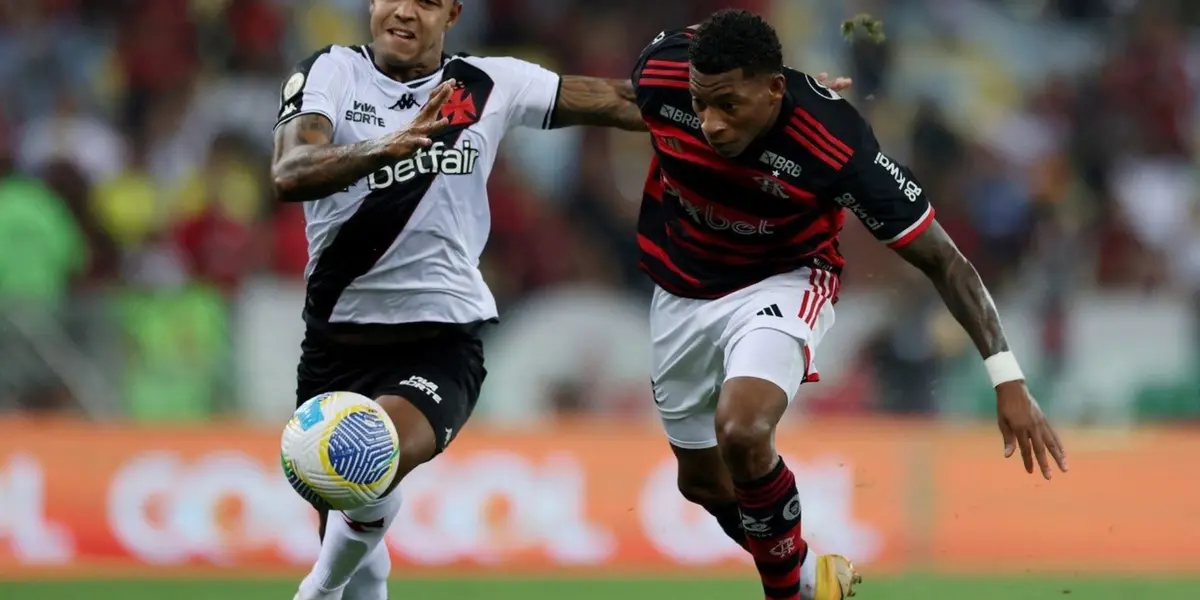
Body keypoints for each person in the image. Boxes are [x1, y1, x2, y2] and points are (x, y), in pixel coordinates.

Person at [631, 10, 1069, 600]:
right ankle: (812, 578)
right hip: (680, 289)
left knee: (741, 428)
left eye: (728, 106)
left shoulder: (833, 142)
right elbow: (612, 100)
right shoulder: (664, 72)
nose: (709, 123)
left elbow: (946, 261)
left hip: (782, 280)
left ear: (773, 90)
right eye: (699, 103)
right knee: (703, 483)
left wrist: (1006, 377)